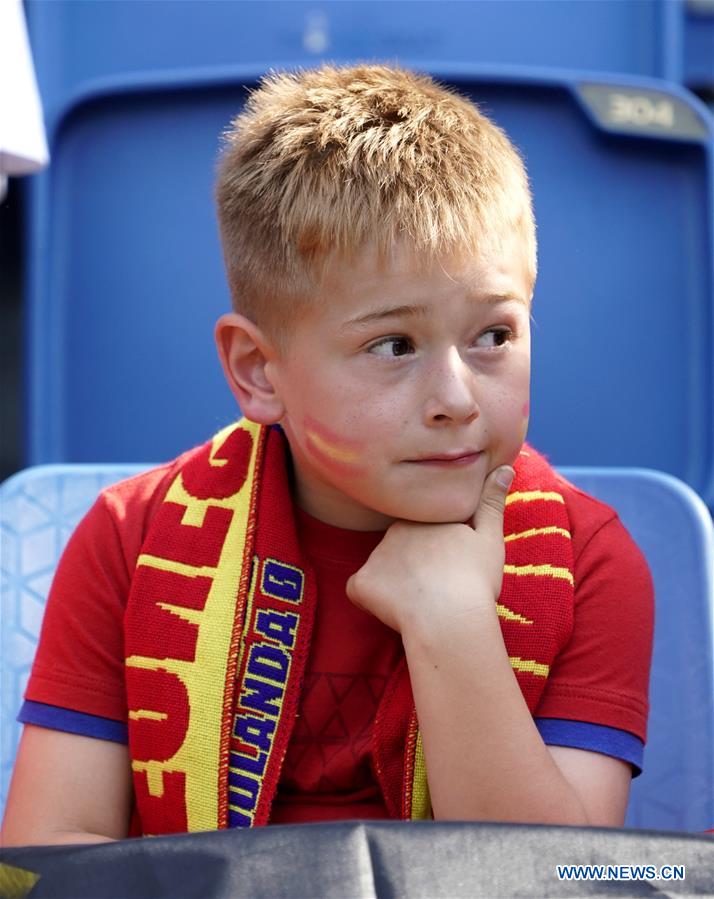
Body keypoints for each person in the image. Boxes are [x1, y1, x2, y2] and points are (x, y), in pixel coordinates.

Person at [1, 64, 653, 845]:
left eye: (495, 335)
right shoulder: (129, 541)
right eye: (393, 344)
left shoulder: (589, 563)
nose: (458, 397)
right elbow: (47, 862)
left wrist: (452, 626)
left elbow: (567, 883)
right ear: (258, 371)